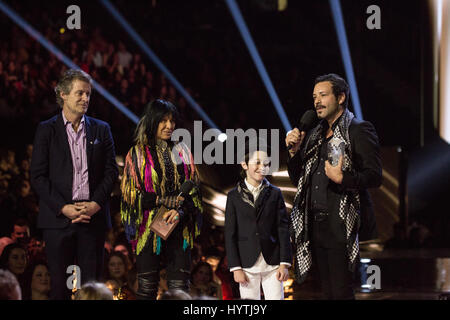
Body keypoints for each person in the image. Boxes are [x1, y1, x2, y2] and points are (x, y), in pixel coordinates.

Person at [286, 73, 382, 299]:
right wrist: (293, 153)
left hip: (341, 224)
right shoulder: (313, 135)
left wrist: (343, 178)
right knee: (327, 292)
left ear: (340, 98)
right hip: (315, 225)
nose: (316, 101)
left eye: (323, 95)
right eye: (314, 97)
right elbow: (298, 179)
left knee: (340, 292)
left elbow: (375, 176)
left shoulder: (358, 130)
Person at [30, 69, 118, 299]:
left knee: (91, 288)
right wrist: (64, 208)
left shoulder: (102, 129)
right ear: (63, 94)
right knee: (60, 287)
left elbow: (111, 172)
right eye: (80, 93)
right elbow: (38, 176)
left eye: (88, 94)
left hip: (92, 218)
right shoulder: (46, 130)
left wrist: (95, 204)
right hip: (59, 220)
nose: (85, 99)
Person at [120, 99, 202, 300]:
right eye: (163, 121)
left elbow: (195, 190)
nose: (169, 126)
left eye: (172, 121)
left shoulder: (183, 151)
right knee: (147, 289)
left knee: (179, 290)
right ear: (151, 121)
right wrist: (161, 201)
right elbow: (130, 195)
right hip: (148, 228)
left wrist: (180, 210)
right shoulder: (137, 154)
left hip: (179, 226)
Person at [225, 146, 292, 300]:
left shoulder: (275, 193)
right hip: (246, 264)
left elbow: (282, 229)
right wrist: (235, 268)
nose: (263, 167)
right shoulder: (233, 196)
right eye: (257, 162)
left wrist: (285, 263)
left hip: (273, 264)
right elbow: (230, 233)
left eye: (267, 164)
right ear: (244, 164)